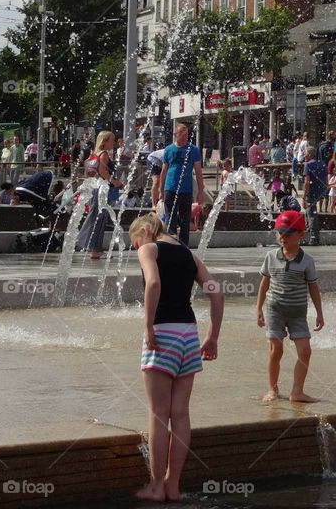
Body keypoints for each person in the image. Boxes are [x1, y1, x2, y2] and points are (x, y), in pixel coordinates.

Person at [130, 213, 223, 502]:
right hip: (189, 334)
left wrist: (148, 325)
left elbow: (153, 283)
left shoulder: (150, 249)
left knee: (159, 413)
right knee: (180, 412)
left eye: (135, 242)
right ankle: (174, 484)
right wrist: (213, 336)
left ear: (145, 231)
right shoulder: (189, 255)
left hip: (163, 333)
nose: (136, 249)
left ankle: (156, 486)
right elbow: (216, 292)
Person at [256, 210, 324, 403]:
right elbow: (264, 283)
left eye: (288, 234)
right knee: (276, 349)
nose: (282, 237)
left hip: (297, 313)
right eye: (280, 233)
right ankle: (272, 389)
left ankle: (297, 392)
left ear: (301, 235)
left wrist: (319, 312)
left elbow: (313, 287)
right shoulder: (271, 256)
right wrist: (258, 308)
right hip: (275, 310)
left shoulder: (307, 261)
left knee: (305, 350)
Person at [155, 123, 205, 248]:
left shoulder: (193, 150)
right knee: (170, 218)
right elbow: (164, 170)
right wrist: (161, 189)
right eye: (182, 134)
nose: (185, 137)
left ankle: (183, 247)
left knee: (184, 221)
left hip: (186, 190)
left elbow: (198, 171)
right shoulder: (169, 150)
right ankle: (171, 246)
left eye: (186, 134)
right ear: (175, 135)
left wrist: (200, 191)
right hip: (170, 188)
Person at [76, 131, 123, 260]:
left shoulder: (94, 154)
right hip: (102, 189)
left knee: (96, 217)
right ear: (104, 142)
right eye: (111, 141)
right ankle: (93, 248)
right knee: (99, 219)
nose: (113, 143)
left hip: (95, 188)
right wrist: (115, 182)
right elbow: (102, 171)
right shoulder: (103, 155)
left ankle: (94, 248)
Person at [301, 147, 328, 246]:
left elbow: (307, 182)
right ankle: (308, 230)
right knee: (310, 212)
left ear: (309, 155)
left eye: (305, 154)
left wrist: (304, 196)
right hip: (321, 192)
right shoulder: (323, 164)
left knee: (311, 213)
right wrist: (324, 191)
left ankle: (314, 238)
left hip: (311, 192)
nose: (304, 156)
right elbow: (326, 180)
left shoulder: (308, 165)